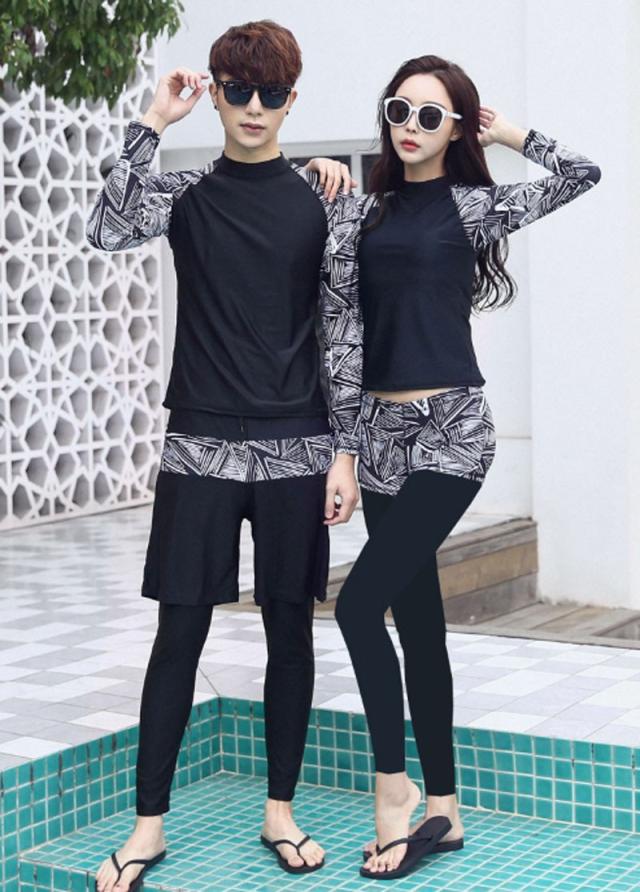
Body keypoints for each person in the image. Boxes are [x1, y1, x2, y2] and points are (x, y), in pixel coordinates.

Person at [86, 20, 360, 892]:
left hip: (296, 445)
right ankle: (148, 828)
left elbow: (343, 331)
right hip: (199, 442)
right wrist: (153, 120)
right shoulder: (186, 192)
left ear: (291, 99)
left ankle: (280, 811)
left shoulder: (322, 199)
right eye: (237, 90)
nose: (252, 107)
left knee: (290, 632)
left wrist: (346, 453)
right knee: (179, 633)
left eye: (270, 93)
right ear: (216, 92)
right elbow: (106, 227)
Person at [314, 54, 601, 881]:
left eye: (431, 116)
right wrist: (342, 452)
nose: (411, 126)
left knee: (356, 607)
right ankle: (445, 810)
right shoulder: (358, 214)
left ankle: (393, 792)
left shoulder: (473, 206)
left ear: (454, 129)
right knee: (418, 623)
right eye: (399, 110)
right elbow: (342, 338)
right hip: (376, 435)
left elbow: (582, 173)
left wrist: (508, 133)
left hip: (452, 431)